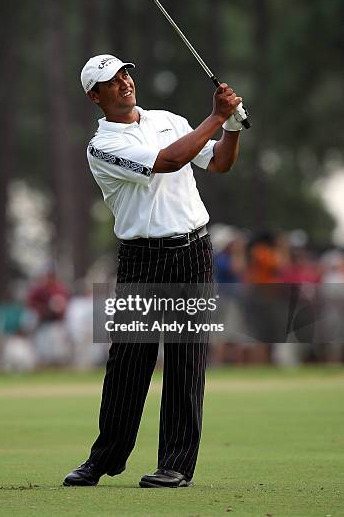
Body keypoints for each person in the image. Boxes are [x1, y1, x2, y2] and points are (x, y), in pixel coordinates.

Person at [63, 54, 244, 488]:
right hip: (143, 257)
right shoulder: (103, 146)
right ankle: (105, 458)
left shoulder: (169, 118)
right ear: (95, 95)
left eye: (126, 73)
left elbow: (217, 162)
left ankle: (176, 465)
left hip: (193, 250)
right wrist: (217, 116)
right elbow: (167, 161)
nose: (124, 81)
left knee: (186, 359)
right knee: (128, 361)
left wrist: (232, 127)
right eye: (111, 80)